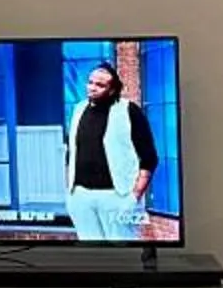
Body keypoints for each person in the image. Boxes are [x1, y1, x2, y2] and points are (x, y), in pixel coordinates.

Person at [63, 63, 159, 242]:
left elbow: (149, 157)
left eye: (100, 85)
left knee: (123, 253)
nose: (92, 88)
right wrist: (70, 190)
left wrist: (134, 196)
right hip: (80, 196)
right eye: (90, 82)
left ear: (113, 89)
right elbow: (71, 151)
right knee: (92, 254)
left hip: (117, 196)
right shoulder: (78, 109)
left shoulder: (128, 110)